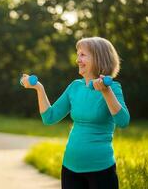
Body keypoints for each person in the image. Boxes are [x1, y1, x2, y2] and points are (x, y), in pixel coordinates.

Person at [21, 37, 130, 189]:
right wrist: (39, 88)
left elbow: (123, 122)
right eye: (77, 55)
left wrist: (106, 92)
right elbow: (49, 117)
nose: (78, 60)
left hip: (101, 170)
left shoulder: (113, 88)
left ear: (98, 58)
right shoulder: (75, 87)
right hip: (70, 168)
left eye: (83, 55)